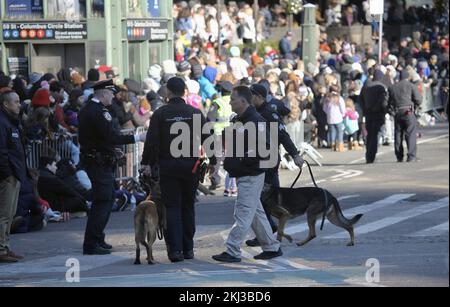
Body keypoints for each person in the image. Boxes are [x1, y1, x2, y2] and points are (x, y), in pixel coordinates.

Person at [141, 77, 215, 263]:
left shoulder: (160, 114)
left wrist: (146, 163)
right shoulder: (195, 112)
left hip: (168, 166)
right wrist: (213, 161)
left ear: (167, 93)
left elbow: (151, 141)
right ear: (185, 92)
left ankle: (175, 251)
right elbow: (208, 137)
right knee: (188, 207)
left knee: (172, 207)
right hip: (190, 166)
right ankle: (188, 249)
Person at [212, 86, 282, 263]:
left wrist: (243, 162)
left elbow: (265, 150)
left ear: (243, 101)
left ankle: (233, 250)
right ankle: (271, 247)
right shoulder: (241, 120)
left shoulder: (255, 122)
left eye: (233, 99)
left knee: (243, 212)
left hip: (250, 174)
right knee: (255, 212)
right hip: (247, 173)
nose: (229, 102)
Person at [78, 79, 147, 255]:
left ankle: (97, 237)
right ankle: (92, 242)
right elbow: (111, 136)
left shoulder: (89, 109)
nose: (113, 97)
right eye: (111, 93)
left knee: (107, 198)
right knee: (103, 200)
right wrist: (137, 138)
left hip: (98, 159)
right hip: (97, 162)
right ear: (103, 94)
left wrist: (112, 150)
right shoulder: (99, 111)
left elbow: (99, 139)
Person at [245, 84, 304, 247]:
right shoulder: (253, 113)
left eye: (251, 96)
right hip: (257, 161)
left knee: (267, 198)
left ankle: (269, 230)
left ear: (259, 97)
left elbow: (283, 136)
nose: (249, 99)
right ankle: (269, 229)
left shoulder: (269, 114)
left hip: (268, 161)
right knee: (262, 199)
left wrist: (295, 155)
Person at [0, 90, 26, 262]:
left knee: (10, 213)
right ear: (6, 104)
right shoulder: (3, 123)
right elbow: (2, 152)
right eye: (15, 102)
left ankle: (5, 246)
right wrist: (8, 173)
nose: (19, 104)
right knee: (4, 214)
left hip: (15, 174)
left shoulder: (12, 122)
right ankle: (1, 249)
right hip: (8, 175)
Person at [388, 70, 422, 163]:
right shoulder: (411, 86)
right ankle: (411, 156)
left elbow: (388, 102)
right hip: (408, 111)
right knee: (410, 133)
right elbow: (418, 100)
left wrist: (391, 111)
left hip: (397, 112)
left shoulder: (392, 87)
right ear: (408, 77)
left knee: (398, 134)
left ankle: (399, 156)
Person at [360, 69, 389, 163]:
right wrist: (384, 110)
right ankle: (371, 155)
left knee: (370, 135)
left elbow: (361, 99)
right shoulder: (381, 87)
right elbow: (383, 101)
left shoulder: (367, 86)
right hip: (378, 113)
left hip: (368, 113)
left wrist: (365, 110)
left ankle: (368, 154)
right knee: (376, 135)